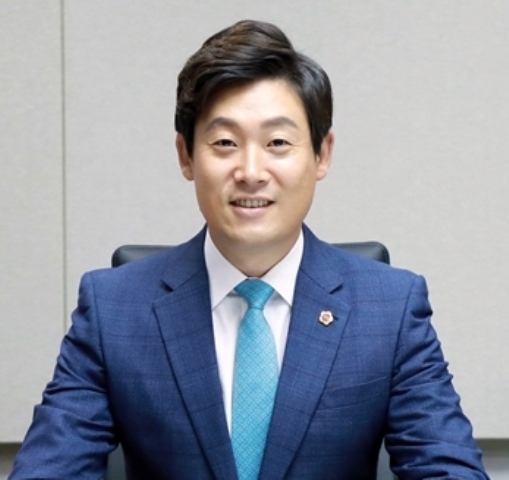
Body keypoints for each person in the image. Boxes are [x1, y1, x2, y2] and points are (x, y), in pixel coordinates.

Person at [10, 19, 487, 479]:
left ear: (321, 154)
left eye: (277, 142)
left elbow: (447, 466)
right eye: (224, 142)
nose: (251, 172)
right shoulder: (113, 310)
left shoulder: (390, 310)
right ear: (186, 156)